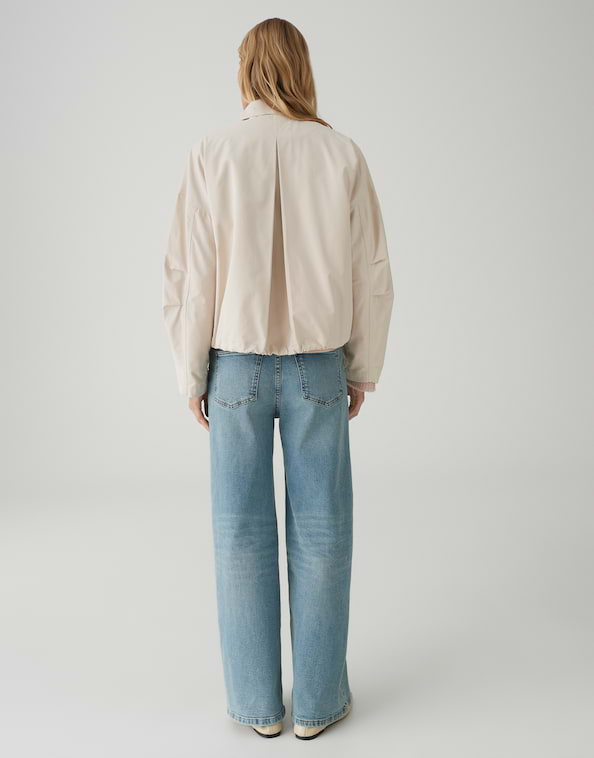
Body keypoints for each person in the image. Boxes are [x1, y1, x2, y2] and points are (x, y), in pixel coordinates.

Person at [162, 17, 394, 740]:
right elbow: (370, 272)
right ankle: (318, 704)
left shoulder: (212, 151)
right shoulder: (341, 152)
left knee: (239, 537)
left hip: (233, 366)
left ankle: (258, 707)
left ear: (246, 71)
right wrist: (362, 367)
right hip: (317, 365)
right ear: (301, 68)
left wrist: (190, 370)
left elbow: (190, 273)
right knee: (322, 534)